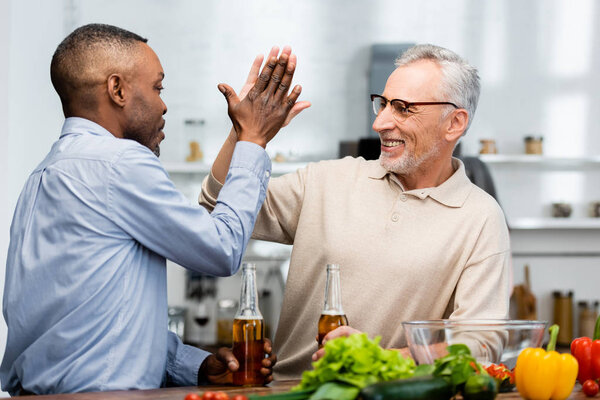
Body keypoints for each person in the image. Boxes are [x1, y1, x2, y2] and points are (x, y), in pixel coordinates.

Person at [1, 24, 304, 395]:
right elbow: (221, 249)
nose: (163, 104)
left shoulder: (45, 173)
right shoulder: (118, 162)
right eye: (158, 87)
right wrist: (253, 141)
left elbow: (94, 323)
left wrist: (195, 366)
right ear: (117, 89)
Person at [198, 44, 511, 379]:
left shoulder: (480, 217)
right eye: (383, 104)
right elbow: (218, 206)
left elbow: (480, 341)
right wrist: (244, 133)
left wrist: (378, 358)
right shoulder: (325, 181)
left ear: (454, 123)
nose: (380, 122)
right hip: (291, 390)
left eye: (403, 109)